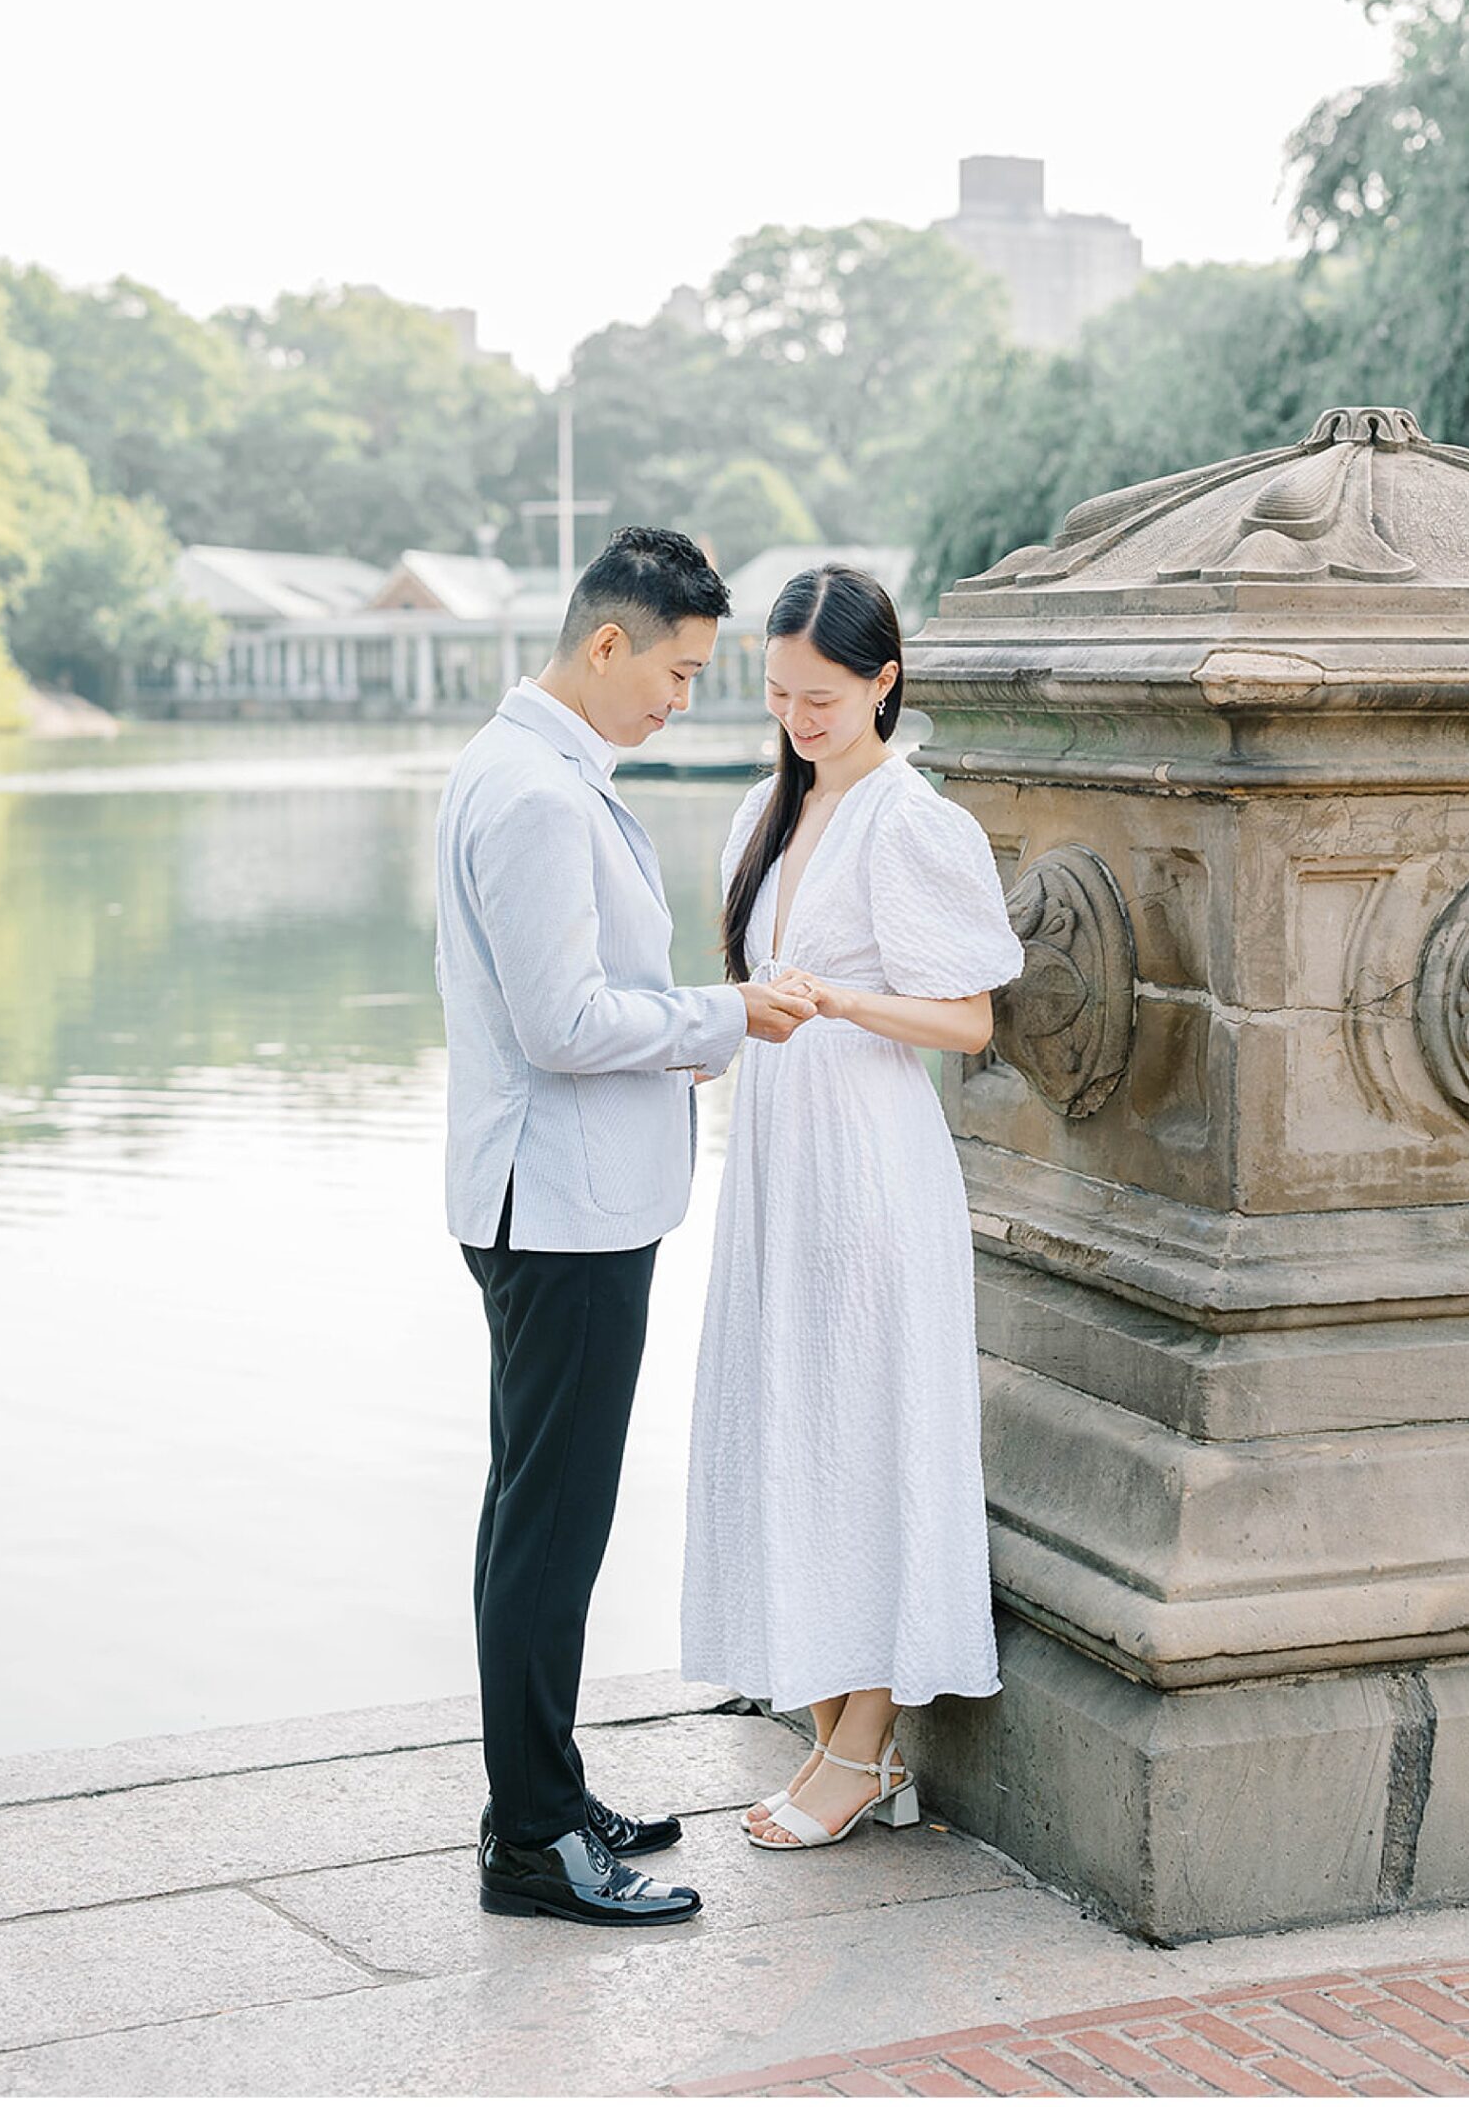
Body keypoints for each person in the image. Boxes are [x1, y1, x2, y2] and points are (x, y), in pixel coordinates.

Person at [434, 527, 816, 1926]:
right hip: (565, 1212)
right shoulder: (534, 795)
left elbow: (584, 1008)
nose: (682, 700)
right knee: (548, 1528)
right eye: (676, 670)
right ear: (607, 644)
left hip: (551, 1198)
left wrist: (675, 1036)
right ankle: (532, 1841)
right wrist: (724, 1016)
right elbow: (563, 1023)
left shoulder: (528, 767)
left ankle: (541, 1792)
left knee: (533, 1516)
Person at [680, 562, 1026, 1849]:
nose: (797, 717)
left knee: (869, 1438)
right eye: (777, 694)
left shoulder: (912, 821)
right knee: (793, 1432)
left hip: (872, 1164)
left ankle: (868, 1744)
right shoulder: (759, 818)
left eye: (820, 696)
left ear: (884, 681)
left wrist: (839, 998)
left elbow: (969, 1019)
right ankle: (834, 1735)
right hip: (778, 1160)